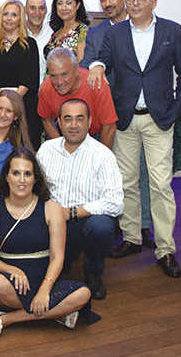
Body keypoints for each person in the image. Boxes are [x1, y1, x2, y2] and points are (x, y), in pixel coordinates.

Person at [87, 0, 181, 278]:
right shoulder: (116, 32)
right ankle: (132, 237)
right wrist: (96, 65)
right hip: (125, 118)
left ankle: (165, 249)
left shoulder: (172, 31)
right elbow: (101, 59)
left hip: (160, 118)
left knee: (160, 184)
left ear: (153, 3)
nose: (133, 4)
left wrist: (176, 110)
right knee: (126, 182)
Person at [0, 148, 92, 337]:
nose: (22, 180)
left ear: (35, 178)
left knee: (84, 293)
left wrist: (44, 290)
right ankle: (58, 313)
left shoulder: (52, 209)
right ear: (7, 177)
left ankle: (9, 318)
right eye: (16, 173)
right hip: (11, 281)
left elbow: (58, 257)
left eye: (27, 174)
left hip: (45, 277)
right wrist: (13, 271)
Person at [83, 0, 156, 250]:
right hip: (105, 112)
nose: (108, 4)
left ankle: (144, 225)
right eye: (103, 0)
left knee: (142, 172)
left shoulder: (143, 28)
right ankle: (118, 224)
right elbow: (88, 65)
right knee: (111, 171)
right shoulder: (96, 33)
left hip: (134, 108)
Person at [36, 99, 123, 300]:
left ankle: (93, 273)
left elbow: (116, 202)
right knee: (53, 270)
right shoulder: (47, 151)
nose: (73, 125)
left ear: (89, 121)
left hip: (86, 220)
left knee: (101, 227)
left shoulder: (103, 155)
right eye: (67, 119)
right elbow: (36, 191)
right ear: (58, 122)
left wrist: (72, 212)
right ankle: (61, 263)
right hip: (54, 221)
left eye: (79, 119)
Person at [0, 0, 41, 148]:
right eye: (5, 14)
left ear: (20, 19)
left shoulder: (29, 44)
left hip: (22, 105)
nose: (8, 18)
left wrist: (10, 103)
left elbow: (29, 79)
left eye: (14, 15)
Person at [38, 48, 118, 149]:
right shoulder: (46, 87)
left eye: (64, 74)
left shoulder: (96, 84)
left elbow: (109, 127)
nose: (59, 82)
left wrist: (99, 157)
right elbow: (46, 119)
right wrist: (60, 147)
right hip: (64, 135)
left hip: (96, 136)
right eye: (54, 76)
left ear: (76, 70)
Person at [43, 0, 89, 65]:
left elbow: (81, 65)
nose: (64, 7)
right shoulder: (56, 33)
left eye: (68, 3)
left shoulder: (83, 31)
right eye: (60, 3)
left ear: (77, 5)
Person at [25, 0, 50, 84]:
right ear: (25, 10)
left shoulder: (54, 34)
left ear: (46, 10)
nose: (37, 13)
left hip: (48, 91)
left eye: (41, 8)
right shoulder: (17, 33)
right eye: (32, 8)